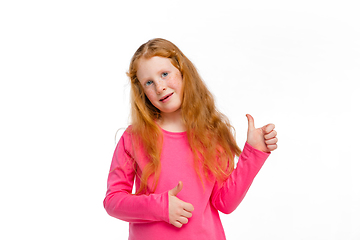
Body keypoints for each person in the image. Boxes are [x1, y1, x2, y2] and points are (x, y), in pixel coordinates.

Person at [103, 38, 278, 240]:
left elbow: (225, 203)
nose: (159, 87)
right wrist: (161, 207)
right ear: (142, 92)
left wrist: (254, 153)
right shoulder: (134, 138)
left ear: (183, 72)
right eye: (149, 82)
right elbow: (113, 201)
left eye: (165, 74)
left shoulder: (212, 134)